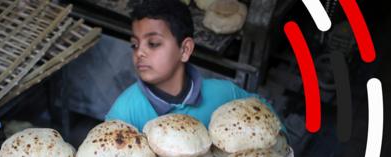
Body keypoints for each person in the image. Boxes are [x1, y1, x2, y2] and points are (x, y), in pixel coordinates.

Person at [106, 0, 286, 135]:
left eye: (153, 43)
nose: (140, 53)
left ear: (185, 50)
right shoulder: (124, 113)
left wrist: (280, 142)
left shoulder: (224, 95)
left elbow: (265, 114)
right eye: (135, 45)